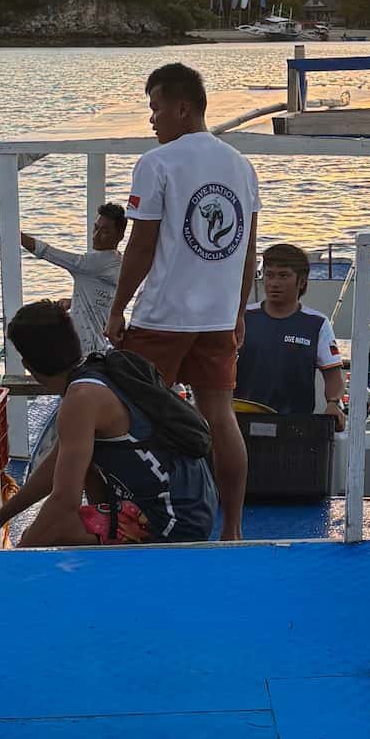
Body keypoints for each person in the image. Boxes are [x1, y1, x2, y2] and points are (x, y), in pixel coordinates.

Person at [105, 63, 260, 541]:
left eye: (155, 109)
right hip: (216, 318)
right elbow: (248, 251)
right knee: (221, 416)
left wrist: (117, 307)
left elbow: (141, 247)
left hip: (164, 317)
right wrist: (236, 313)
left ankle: (136, 522)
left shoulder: (158, 163)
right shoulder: (241, 164)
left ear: (183, 106)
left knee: (130, 415)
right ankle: (232, 530)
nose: (152, 121)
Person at [0, 301, 216, 547]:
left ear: (27, 365)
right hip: (194, 504)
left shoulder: (80, 399)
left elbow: (64, 503)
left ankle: (111, 544)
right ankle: (106, 532)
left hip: (175, 524)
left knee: (52, 529)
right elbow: (55, 467)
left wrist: (16, 563)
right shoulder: (101, 369)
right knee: (78, 465)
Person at [0, 203, 126, 356]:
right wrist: (74, 302)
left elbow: (47, 252)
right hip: (102, 346)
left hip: (87, 350)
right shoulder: (119, 262)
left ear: (119, 235)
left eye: (105, 231)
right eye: (96, 228)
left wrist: (10, 231)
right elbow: (106, 298)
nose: (96, 236)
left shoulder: (92, 263)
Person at [235, 243, 346, 424]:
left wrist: (334, 403)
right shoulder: (242, 318)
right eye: (269, 275)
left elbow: (333, 375)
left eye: (283, 275)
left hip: (296, 423)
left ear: (302, 281)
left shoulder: (317, 324)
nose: (274, 283)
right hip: (242, 419)